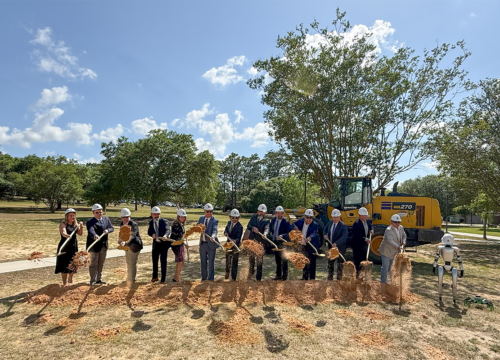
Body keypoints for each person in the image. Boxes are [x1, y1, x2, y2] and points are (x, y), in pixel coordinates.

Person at [86, 204, 114, 285]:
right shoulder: (90, 222)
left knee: (101, 263)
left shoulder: (106, 219)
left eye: (100, 212)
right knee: (93, 264)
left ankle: (99, 279)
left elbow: (111, 228)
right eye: (97, 212)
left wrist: (108, 230)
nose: (99, 214)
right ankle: (93, 280)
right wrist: (95, 235)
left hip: (103, 245)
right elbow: (91, 230)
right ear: (93, 213)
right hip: (94, 246)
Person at [55, 208, 83, 285]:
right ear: (67, 216)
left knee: (73, 263)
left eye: (73, 215)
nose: (72, 217)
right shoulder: (63, 224)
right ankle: (64, 282)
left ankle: (70, 280)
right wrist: (66, 235)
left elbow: (80, 233)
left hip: (73, 246)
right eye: (70, 215)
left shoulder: (75, 225)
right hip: (65, 246)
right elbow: (63, 232)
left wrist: (81, 226)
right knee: (64, 264)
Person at [292, 209, 321, 280]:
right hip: (303, 245)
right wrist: (295, 228)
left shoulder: (315, 225)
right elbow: (293, 224)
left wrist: (310, 238)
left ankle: (312, 279)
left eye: (310, 218)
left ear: (312, 218)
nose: (308, 219)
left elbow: (315, 233)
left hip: (312, 246)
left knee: (312, 263)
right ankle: (304, 277)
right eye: (307, 217)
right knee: (304, 261)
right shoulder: (301, 221)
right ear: (304, 217)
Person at [118, 208, 143, 287]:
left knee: (132, 263)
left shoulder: (133, 224)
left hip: (135, 245)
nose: (125, 219)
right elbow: (122, 234)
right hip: (127, 246)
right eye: (123, 217)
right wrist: (120, 240)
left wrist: (126, 242)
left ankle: (132, 280)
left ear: (130, 216)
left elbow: (133, 235)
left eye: (127, 217)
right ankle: (129, 278)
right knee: (128, 262)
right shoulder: (121, 224)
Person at [379, 214, 407, 284]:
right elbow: (390, 240)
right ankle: (383, 282)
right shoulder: (388, 230)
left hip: (394, 252)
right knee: (385, 267)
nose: (397, 224)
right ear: (391, 222)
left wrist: (403, 242)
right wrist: (398, 246)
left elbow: (404, 235)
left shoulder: (401, 228)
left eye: (398, 222)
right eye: (395, 222)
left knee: (392, 267)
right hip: (386, 251)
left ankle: (392, 282)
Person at [246, 204, 270, 281]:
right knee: (251, 259)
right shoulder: (253, 217)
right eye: (259, 212)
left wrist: (265, 234)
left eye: (262, 212)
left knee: (259, 260)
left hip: (260, 243)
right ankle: (251, 273)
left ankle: (258, 278)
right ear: (257, 211)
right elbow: (248, 226)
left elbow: (267, 228)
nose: (260, 213)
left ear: (265, 213)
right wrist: (253, 228)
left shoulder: (266, 221)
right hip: (252, 241)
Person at [148, 206, 170, 283]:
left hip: (163, 244)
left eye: (158, 214)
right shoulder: (151, 222)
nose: (156, 216)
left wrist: (165, 235)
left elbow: (167, 230)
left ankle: (163, 279)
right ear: (152, 214)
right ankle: (154, 277)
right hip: (155, 244)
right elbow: (149, 231)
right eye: (155, 214)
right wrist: (152, 234)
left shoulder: (164, 221)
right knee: (155, 261)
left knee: (163, 261)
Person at [323, 209, 348, 280]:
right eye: (334, 217)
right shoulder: (330, 222)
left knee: (340, 264)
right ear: (332, 217)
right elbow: (325, 229)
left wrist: (336, 243)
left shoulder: (343, 225)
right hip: (331, 247)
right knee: (330, 263)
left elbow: (344, 237)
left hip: (340, 248)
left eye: (337, 217)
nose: (335, 219)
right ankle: (330, 278)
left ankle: (339, 280)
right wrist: (325, 234)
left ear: (339, 217)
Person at [268, 206, 291, 281]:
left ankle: (284, 276)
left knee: (284, 259)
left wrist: (282, 236)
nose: (280, 215)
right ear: (276, 214)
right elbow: (271, 228)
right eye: (278, 213)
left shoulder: (286, 222)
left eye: (281, 213)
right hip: (276, 243)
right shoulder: (273, 220)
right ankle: (278, 275)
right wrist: (271, 233)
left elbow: (289, 233)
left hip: (283, 243)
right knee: (277, 260)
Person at [198, 203, 219, 281]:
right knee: (203, 262)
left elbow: (215, 230)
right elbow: (197, 227)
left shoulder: (215, 220)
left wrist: (213, 236)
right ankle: (204, 278)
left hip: (211, 245)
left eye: (211, 211)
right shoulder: (201, 219)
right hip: (203, 244)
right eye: (208, 211)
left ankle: (210, 279)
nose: (209, 213)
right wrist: (199, 230)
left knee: (211, 263)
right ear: (204, 212)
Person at [352, 207, 373, 276]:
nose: (364, 217)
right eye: (362, 215)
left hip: (364, 245)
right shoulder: (356, 224)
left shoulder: (368, 222)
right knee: (358, 262)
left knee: (364, 260)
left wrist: (372, 230)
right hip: (357, 246)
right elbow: (357, 236)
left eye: (365, 215)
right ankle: (357, 276)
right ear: (359, 216)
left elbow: (371, 227)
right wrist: (366, 239)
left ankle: (363, 276)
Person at [223, 209, 243, 281]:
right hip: (228, 245)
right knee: (228, 259)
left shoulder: (240, 227)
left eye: (236, 218)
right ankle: (227, 271)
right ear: (230, 217)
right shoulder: (228, 223)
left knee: (235, 261)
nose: (234, 219)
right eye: (233, 217)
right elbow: (225, 230)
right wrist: (225, 233)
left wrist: (234, 240)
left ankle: (233, 277)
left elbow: (239, 237)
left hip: (235, 246)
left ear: (238, 218)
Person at [170, 209, 188, 282]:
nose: (183, 218)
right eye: (181, 217)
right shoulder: (176, 224)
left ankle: (176, 277)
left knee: (181, 261)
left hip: (180, 244)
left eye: (184, 217)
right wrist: (184, 242)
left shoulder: (181, 224)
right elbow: (178, 236)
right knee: (180, 261)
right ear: (178, 217)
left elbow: (182, 235)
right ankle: (177, 279)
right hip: (176, 244)